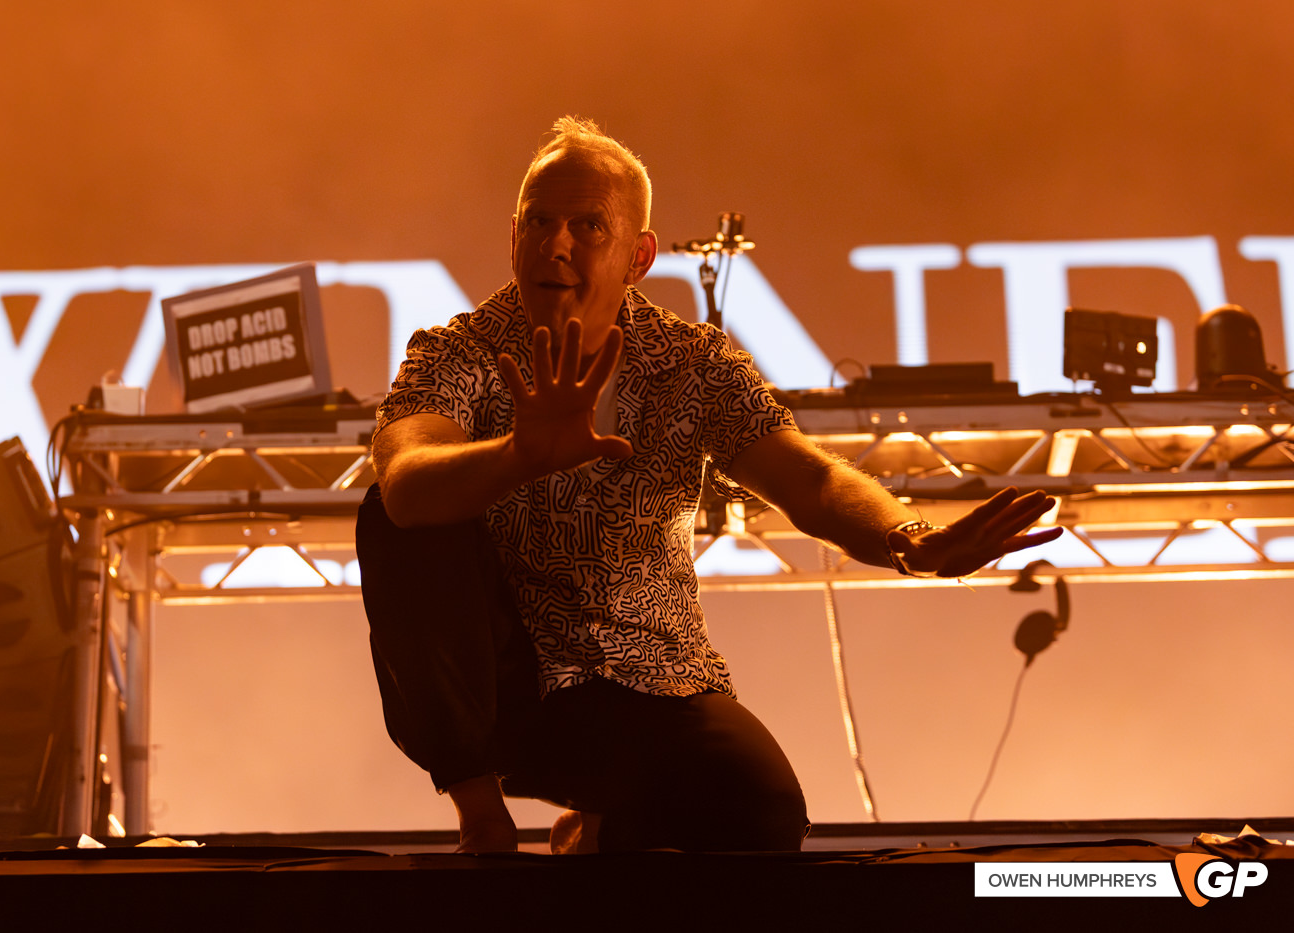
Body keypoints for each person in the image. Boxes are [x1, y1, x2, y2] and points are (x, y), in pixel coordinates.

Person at [355, 116, 1061, 854]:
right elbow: (405, 482)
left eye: (588, 225)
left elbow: (808, 475)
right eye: (538, 221)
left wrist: (907, 539)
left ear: (639, 255)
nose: (555, 243)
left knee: (761, 817)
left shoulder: (694, 362)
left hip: (649, 676)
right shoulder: (456, 349)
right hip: (503, 687)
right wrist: (518, 456)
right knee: (394, 516)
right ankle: (482, 816)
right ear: (513, 235)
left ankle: (602, 827)